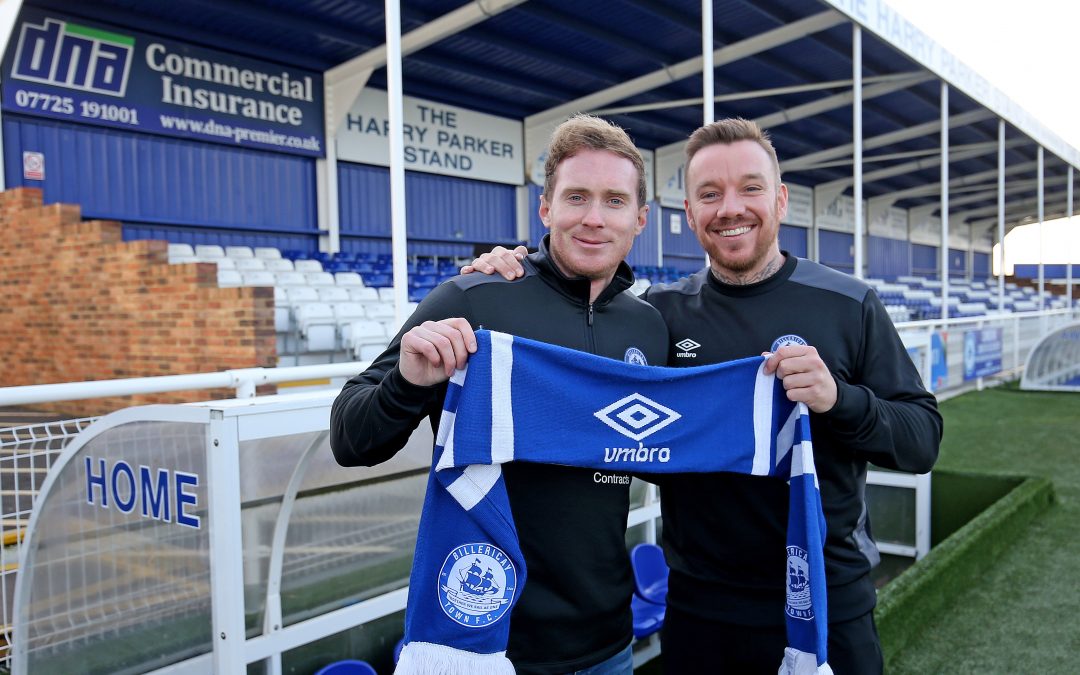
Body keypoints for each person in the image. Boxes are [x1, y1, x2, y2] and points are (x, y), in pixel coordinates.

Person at [462, 117, 943, 674]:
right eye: (710, 194)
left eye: (750, 188)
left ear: (780, 199)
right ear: (689, 214)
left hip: (825, 600)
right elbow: (601, 394)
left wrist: (839, 399)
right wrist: (511, 271)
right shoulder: (659, 316)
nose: (730, 208)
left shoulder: (848, 303)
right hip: (699, 610)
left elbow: (921, 441)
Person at [330, 113, 669, 675]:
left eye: (614, 201)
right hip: (484, 646)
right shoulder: (475, 297)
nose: (593, 217)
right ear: (546, 208)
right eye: (576, 197)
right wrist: (407, 382)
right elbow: (349, 439)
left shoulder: (648, 326)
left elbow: (667, 455)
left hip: (608, 644)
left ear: (640, 218)